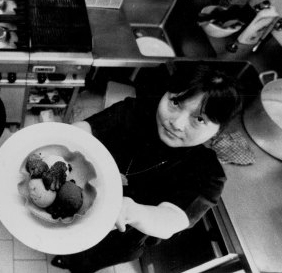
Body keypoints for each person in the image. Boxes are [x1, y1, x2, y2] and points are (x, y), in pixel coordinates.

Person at [52, 64, 243, 273]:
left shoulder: (208, 174)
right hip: (85, 201)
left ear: (217, 130)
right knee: (67, 235)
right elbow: (87, 129)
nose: (177, 123)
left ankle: (71, 265)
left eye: (199, 119)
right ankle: (64, 253)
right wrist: (65, 140)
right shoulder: (137, 111)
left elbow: (172, 219)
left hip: (121, 238)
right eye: (176, 102)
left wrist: (131, 211)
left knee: (85, 262)